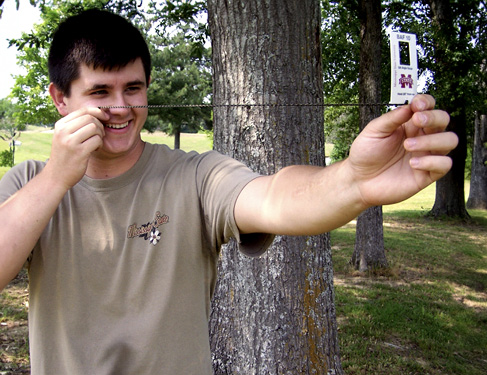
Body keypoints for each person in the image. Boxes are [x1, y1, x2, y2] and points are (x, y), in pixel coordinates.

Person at [0, 8, 458, 375]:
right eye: (101, 91)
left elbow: (275, 197)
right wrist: (59, 177)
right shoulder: (28, 184)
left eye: (133, 88)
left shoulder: (194, 176)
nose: (121, 108)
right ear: (61, 99)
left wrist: (355, 181)